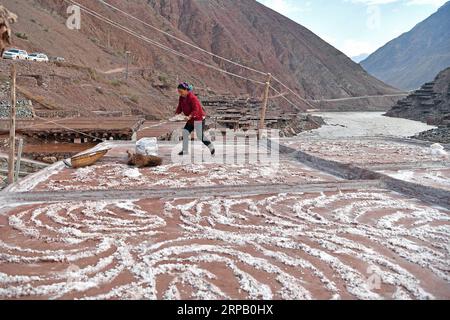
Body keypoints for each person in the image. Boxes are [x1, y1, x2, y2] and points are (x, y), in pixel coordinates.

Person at [175, 82, 215, 156]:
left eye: (181, 91)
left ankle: (211, 146)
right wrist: (177, 113)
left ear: (186, 90)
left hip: (198, 118)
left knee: (200, 135)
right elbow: (180, 107)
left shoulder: (193, 98)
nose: (180, 93)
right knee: (185, 132)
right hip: (190, 119)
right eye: (179, 92)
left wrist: (190, 116)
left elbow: (196, 110)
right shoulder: (181, 98)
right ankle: (185, 150)